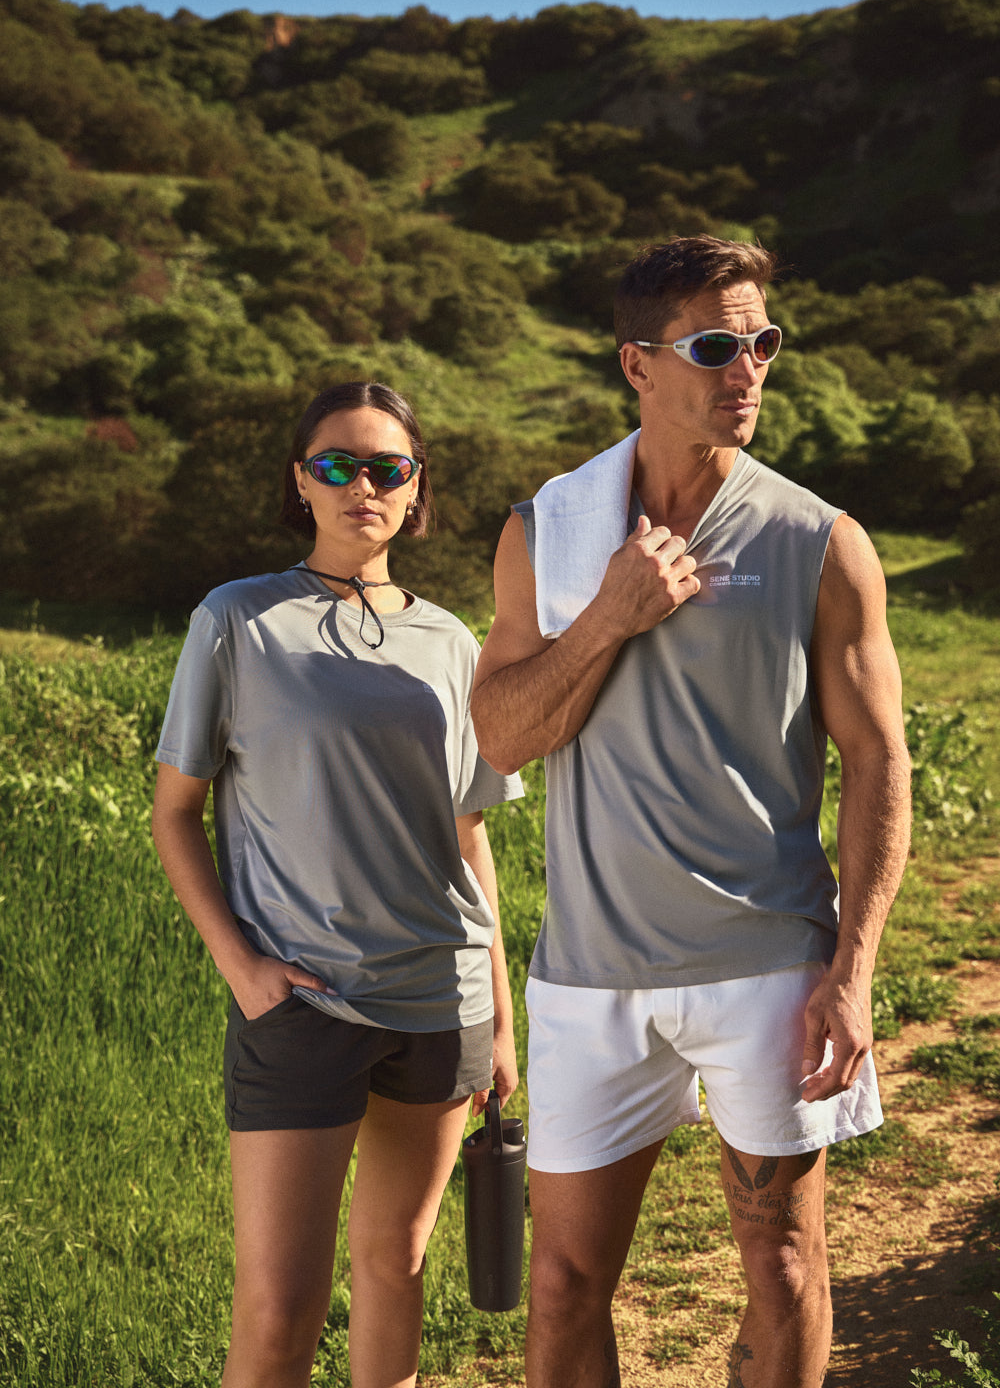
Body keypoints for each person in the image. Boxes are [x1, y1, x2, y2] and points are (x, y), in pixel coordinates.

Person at [470, 236, 911, 1388]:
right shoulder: (547, 529)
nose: (747, 368)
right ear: (637, 364)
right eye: (715, 346)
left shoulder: (821, 542)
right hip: (589, 970)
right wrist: (609, 613)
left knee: (784, 1262)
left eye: (763, 342)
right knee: (563, 1284)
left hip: (766, 964)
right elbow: (502, 736)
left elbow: (877, 759)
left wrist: (854, 967)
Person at [151, 381, 522, 1388]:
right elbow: (174, 812)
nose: (364, 485)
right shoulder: (237, 619)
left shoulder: (452, 642)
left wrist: (499, 1012)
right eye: (337, 464)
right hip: (302, 1002)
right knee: (279, 1310)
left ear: (416, 488)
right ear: (301, 482)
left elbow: (468, 836)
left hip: (442, 1000)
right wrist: (244, 969)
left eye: (388, 467)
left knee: (397, 1267)